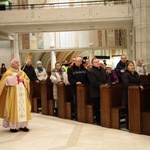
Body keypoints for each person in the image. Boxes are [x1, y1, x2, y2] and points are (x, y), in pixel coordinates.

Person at [0, 58, 31, 132]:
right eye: (16, 62)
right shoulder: (8, 72)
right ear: (12, 64)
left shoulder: (22, 72)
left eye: (18, 62)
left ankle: (23, 125)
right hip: (13, 96)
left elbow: (27, 80)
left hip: (22, 95)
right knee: (14, 109)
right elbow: (5, 82)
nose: (18, 64)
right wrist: (15, 77)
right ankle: (13, 127)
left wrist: (23, 80)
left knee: (23, 109)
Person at [121, 61, 144, 129]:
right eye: (130, 65)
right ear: (127, 67)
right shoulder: (125, 75)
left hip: (136, 96)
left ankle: (135, 124)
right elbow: (127, 84)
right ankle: (128, 125)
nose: (132, 66)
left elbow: (140, 82)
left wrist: (140, 85)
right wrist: (137, 87)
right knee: (128, 111)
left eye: (133, 65)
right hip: (128, 96)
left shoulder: (136, 73)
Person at [87, 58, 107, 125]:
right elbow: (93, 82)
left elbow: (106, 78)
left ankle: (104, 118)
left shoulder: (102, 70)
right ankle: (98, 120)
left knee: (103, 106)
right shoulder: (91, 71)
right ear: (92, 64)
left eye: (98, 61)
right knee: (97, 106)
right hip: (95, 92)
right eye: (95, 62)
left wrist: (106, 84)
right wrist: (103, 85)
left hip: (104, 91)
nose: (97, 63)